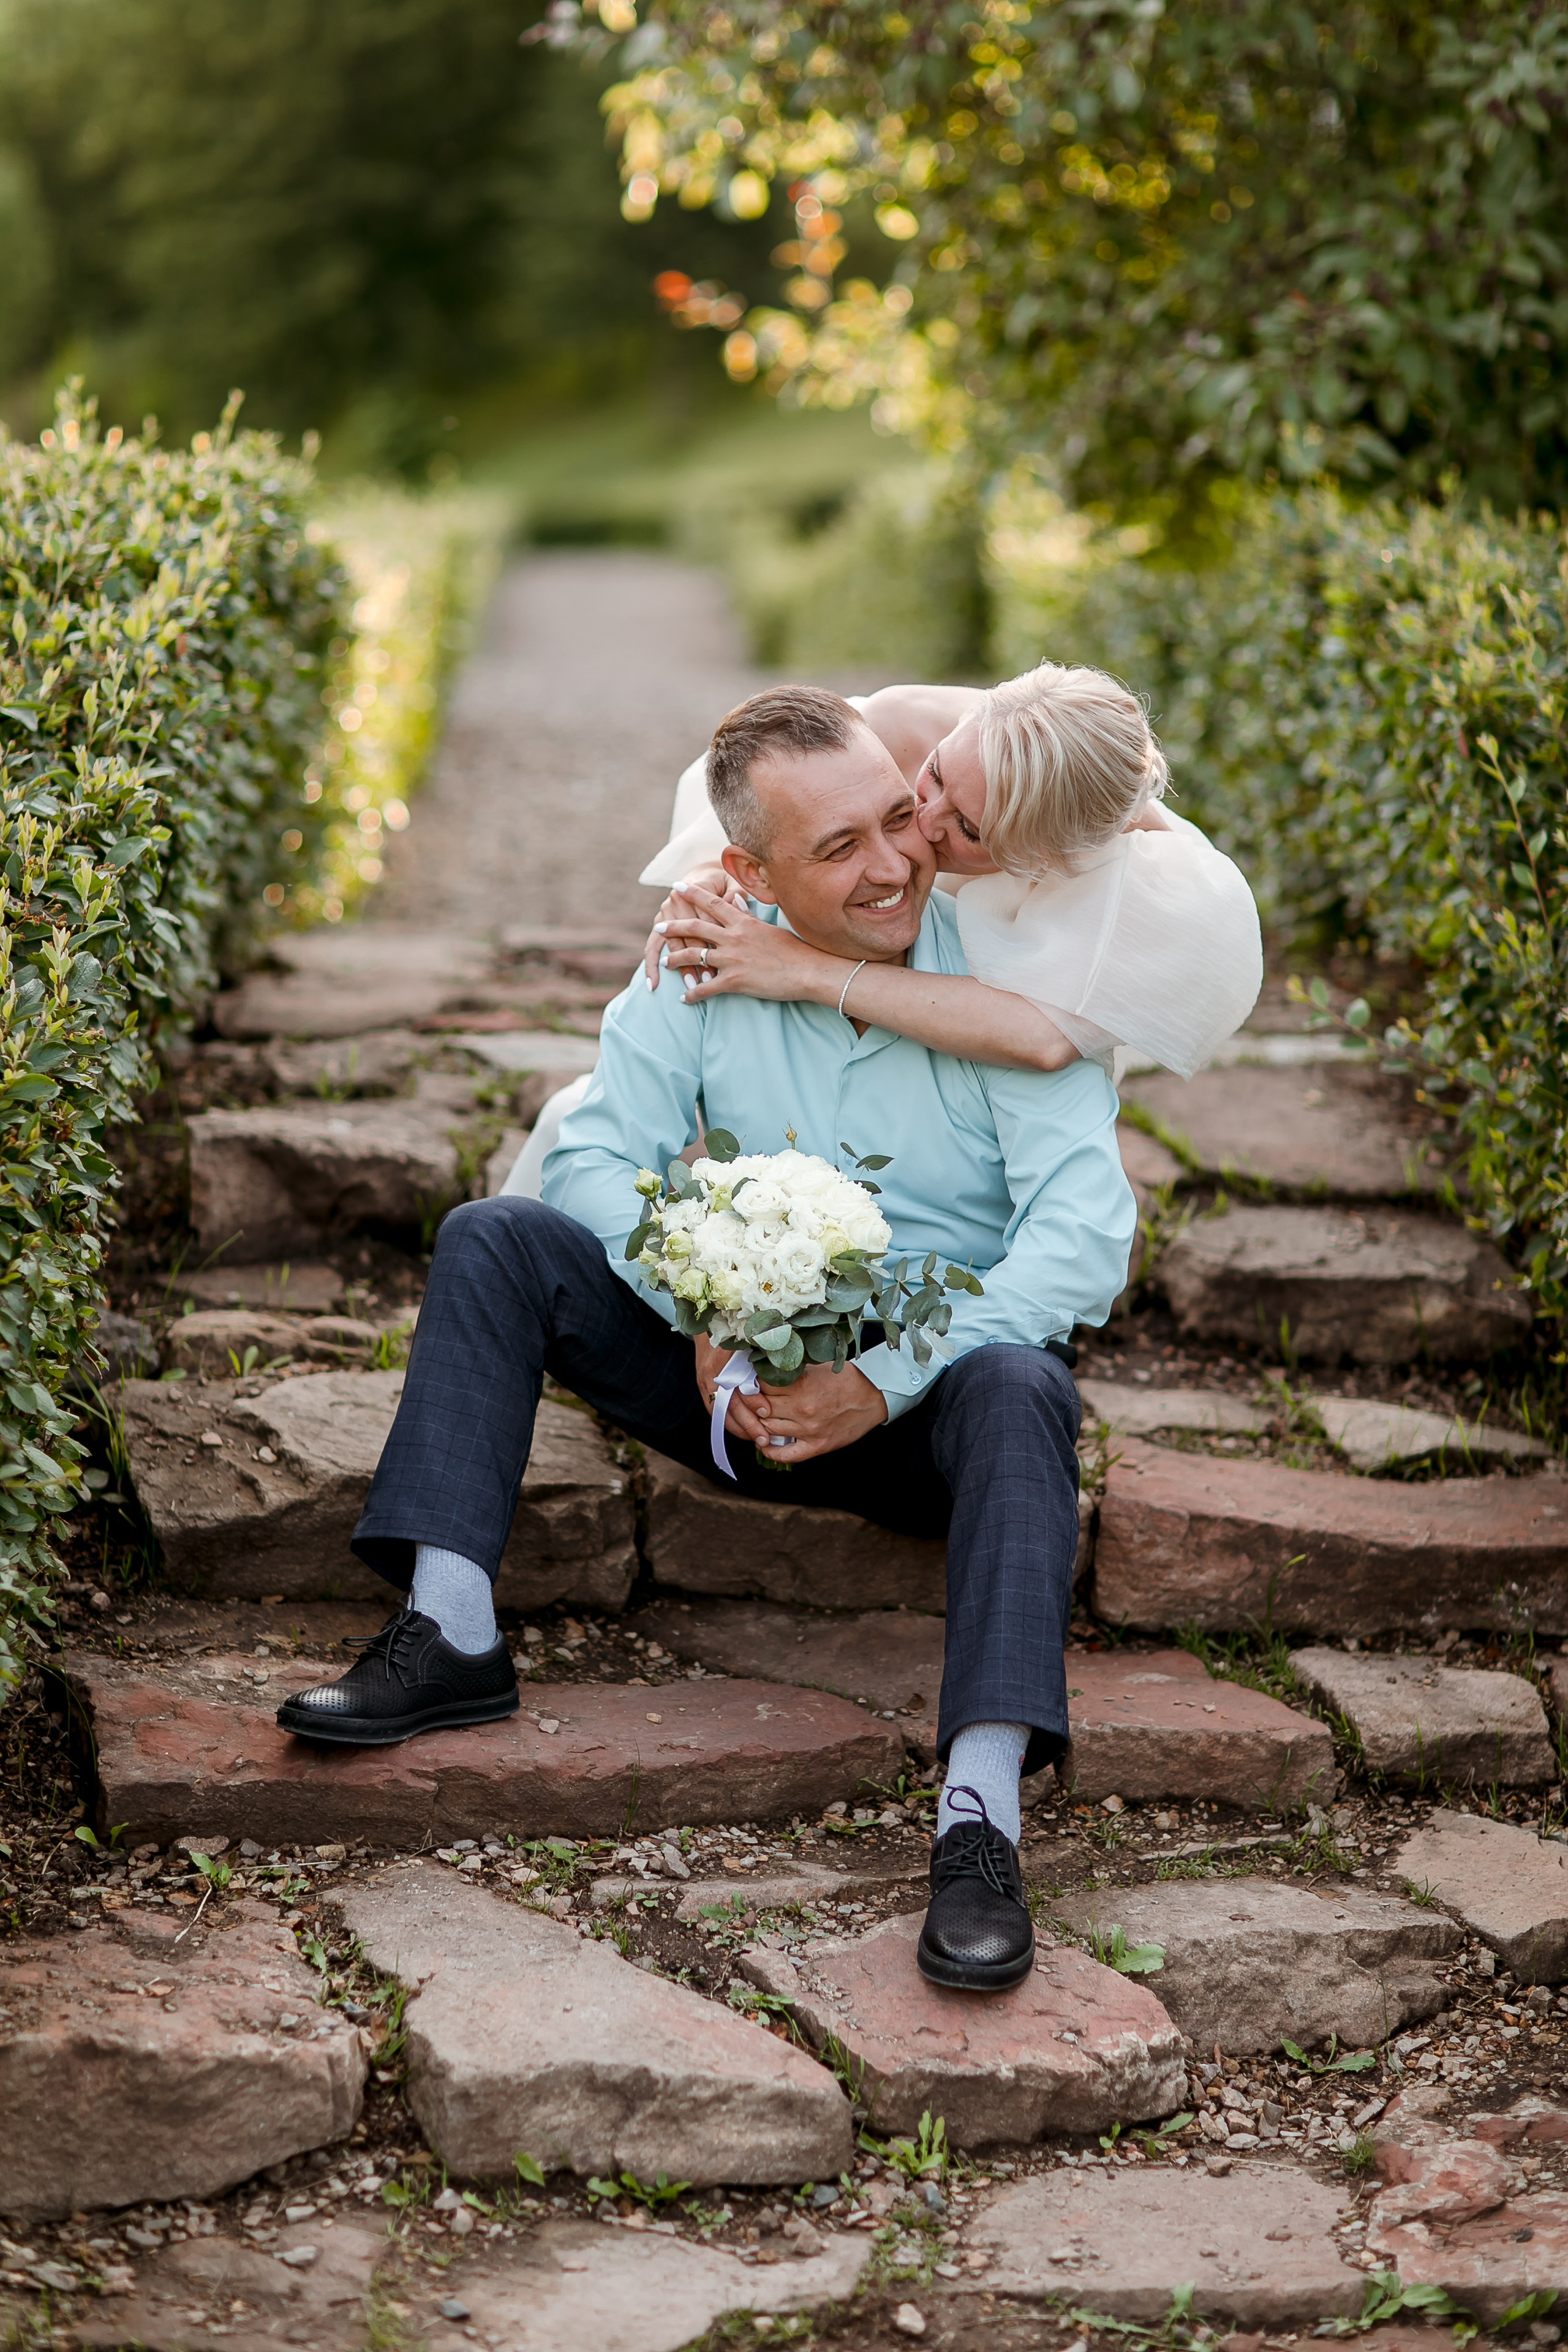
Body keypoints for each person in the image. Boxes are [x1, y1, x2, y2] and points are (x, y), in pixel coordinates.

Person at [277, 685, 1137, 1996]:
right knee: (493, 1234)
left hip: (925, 1421)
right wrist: (701, 1303)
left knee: (1024, 1382)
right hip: (722, 1389)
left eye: (898, 819)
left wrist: (882, 1378)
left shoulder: (1006, 983)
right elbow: (593, 1156)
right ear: (745, 873)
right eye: (837, 850)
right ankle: (448, 1630)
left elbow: (1079, 1248)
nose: (894, 862)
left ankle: (978, 1822)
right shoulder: (701, 955)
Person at [500, 661, 1261, 1194]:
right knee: (589, 1124)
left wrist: (802, 968)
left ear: (1043, 861)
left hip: (981, 1053)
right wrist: (709, 881)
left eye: (966, 829)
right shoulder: (908, 721)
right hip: (851, 975)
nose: (920, 827)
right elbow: (773, 801)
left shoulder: (1157, 889)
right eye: (931, 779)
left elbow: (1039, 1040)